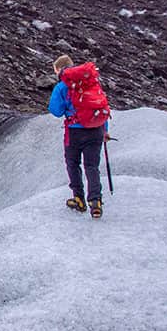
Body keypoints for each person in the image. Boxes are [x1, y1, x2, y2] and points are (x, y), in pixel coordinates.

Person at [48, 55, 110, 219]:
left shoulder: (62, 86)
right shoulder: (91, 83)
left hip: (75, 132)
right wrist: (105, 130)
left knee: (73, 164)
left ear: (60, 70)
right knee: (92, 166)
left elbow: (56, 110)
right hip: (96, 129)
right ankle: (95, 201)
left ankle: (79, 198)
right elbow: (100, 105)